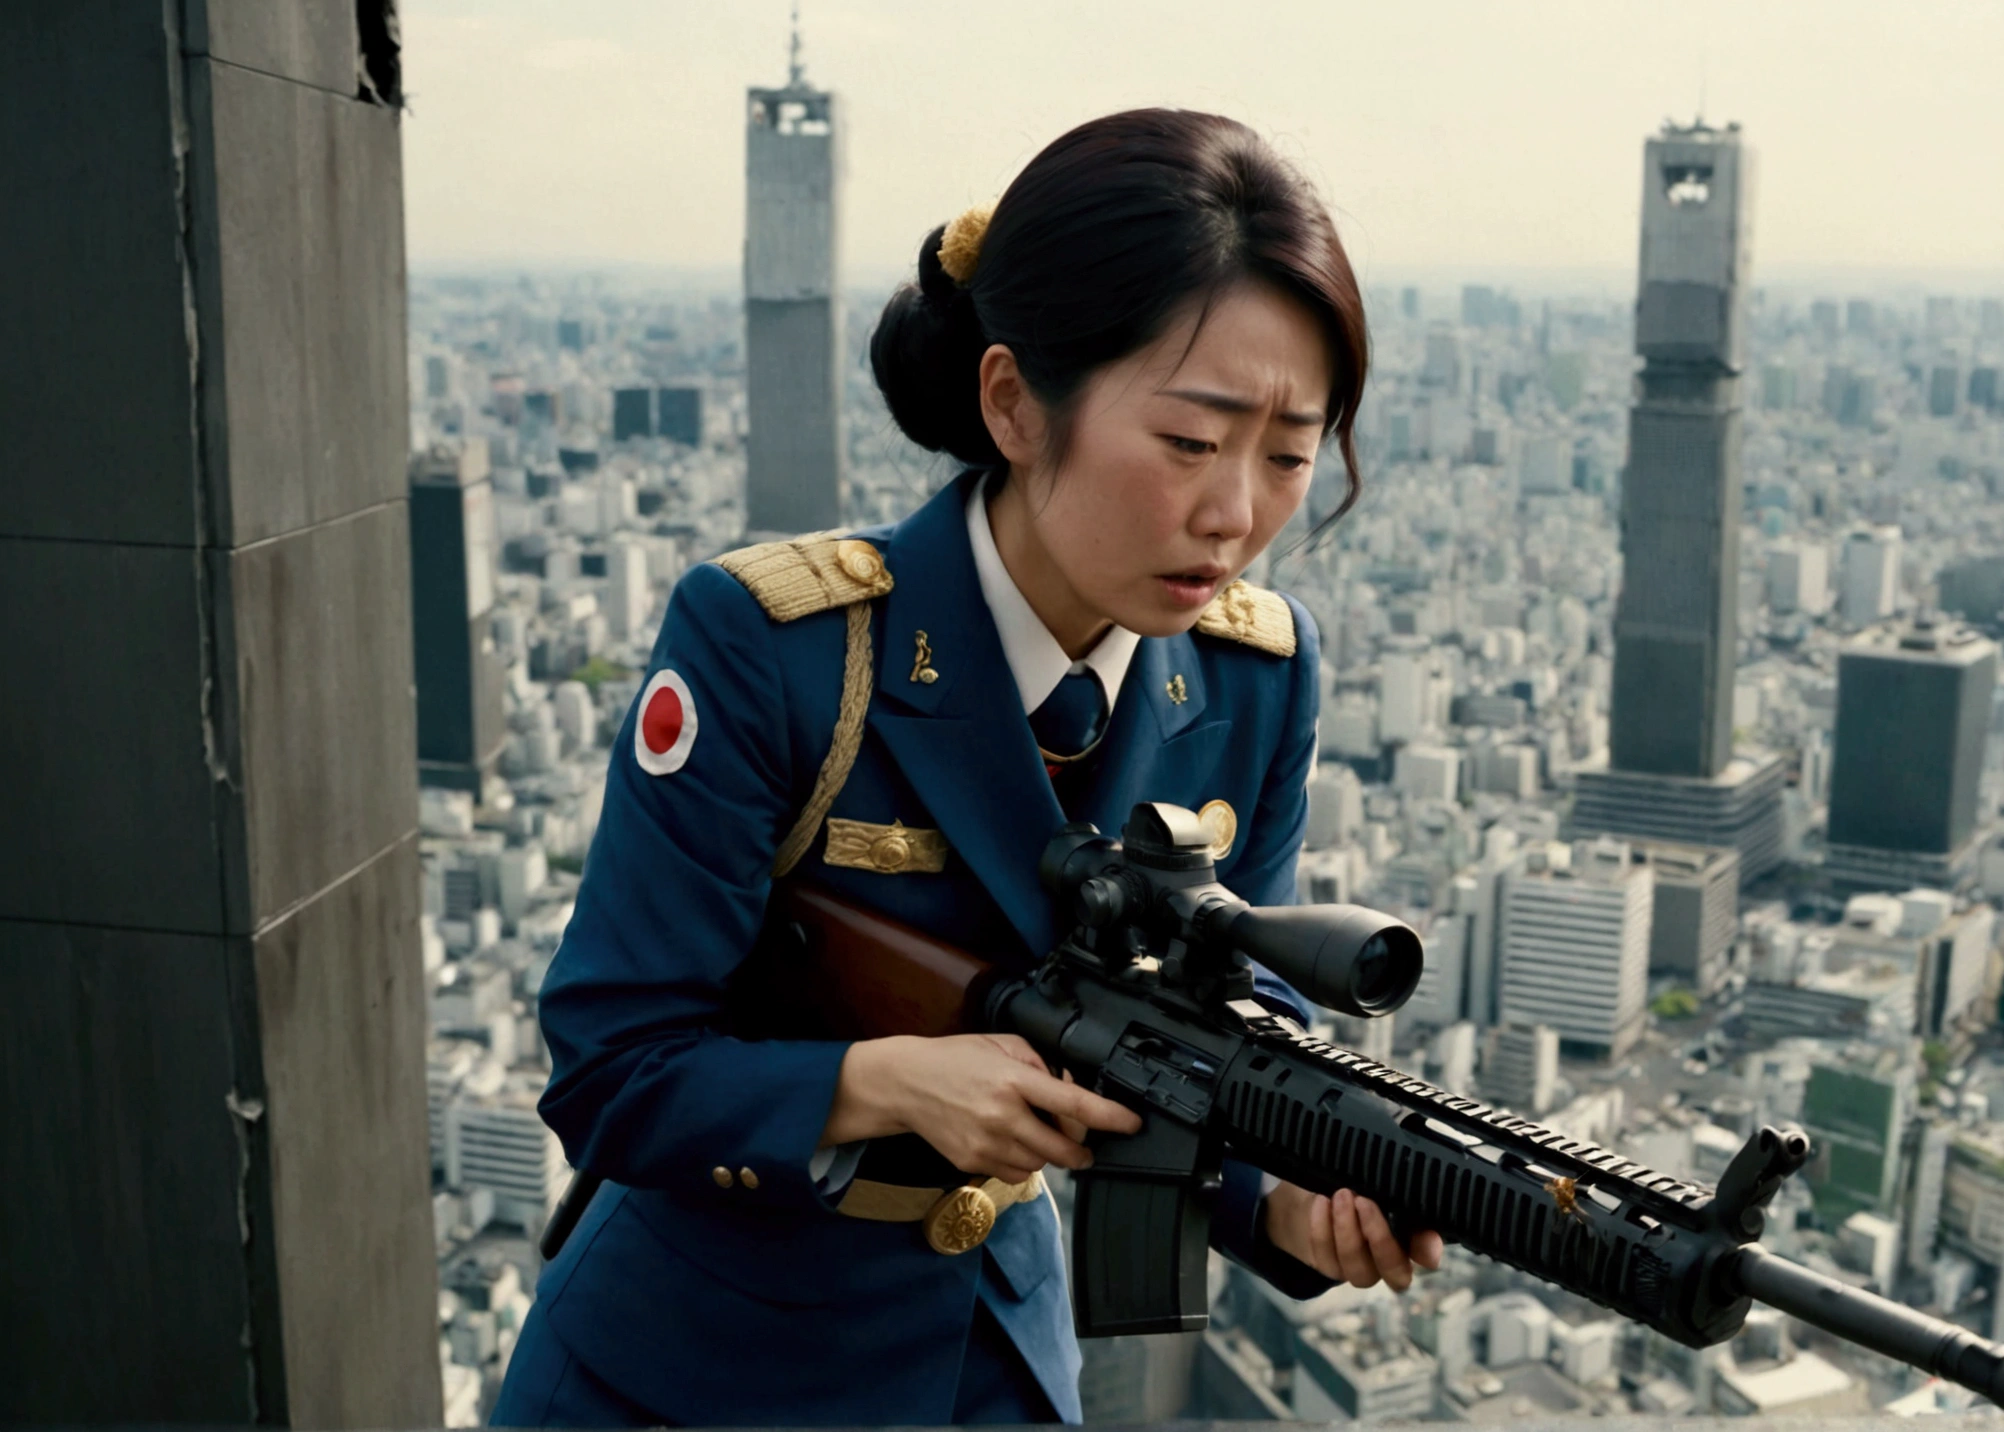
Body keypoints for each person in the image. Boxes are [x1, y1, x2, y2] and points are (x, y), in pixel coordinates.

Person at [492, 108, 1441, 1428]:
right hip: (694, 1368)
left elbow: (1200, 1057)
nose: (1236, 513)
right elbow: (609, 1069)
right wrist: (882, 1083)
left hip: (989, 1364)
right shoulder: (784, 650)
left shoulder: (1253, 676)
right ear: (1013, 401)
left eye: (1290, 455)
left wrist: (1289, 1197)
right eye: (1190, 442)